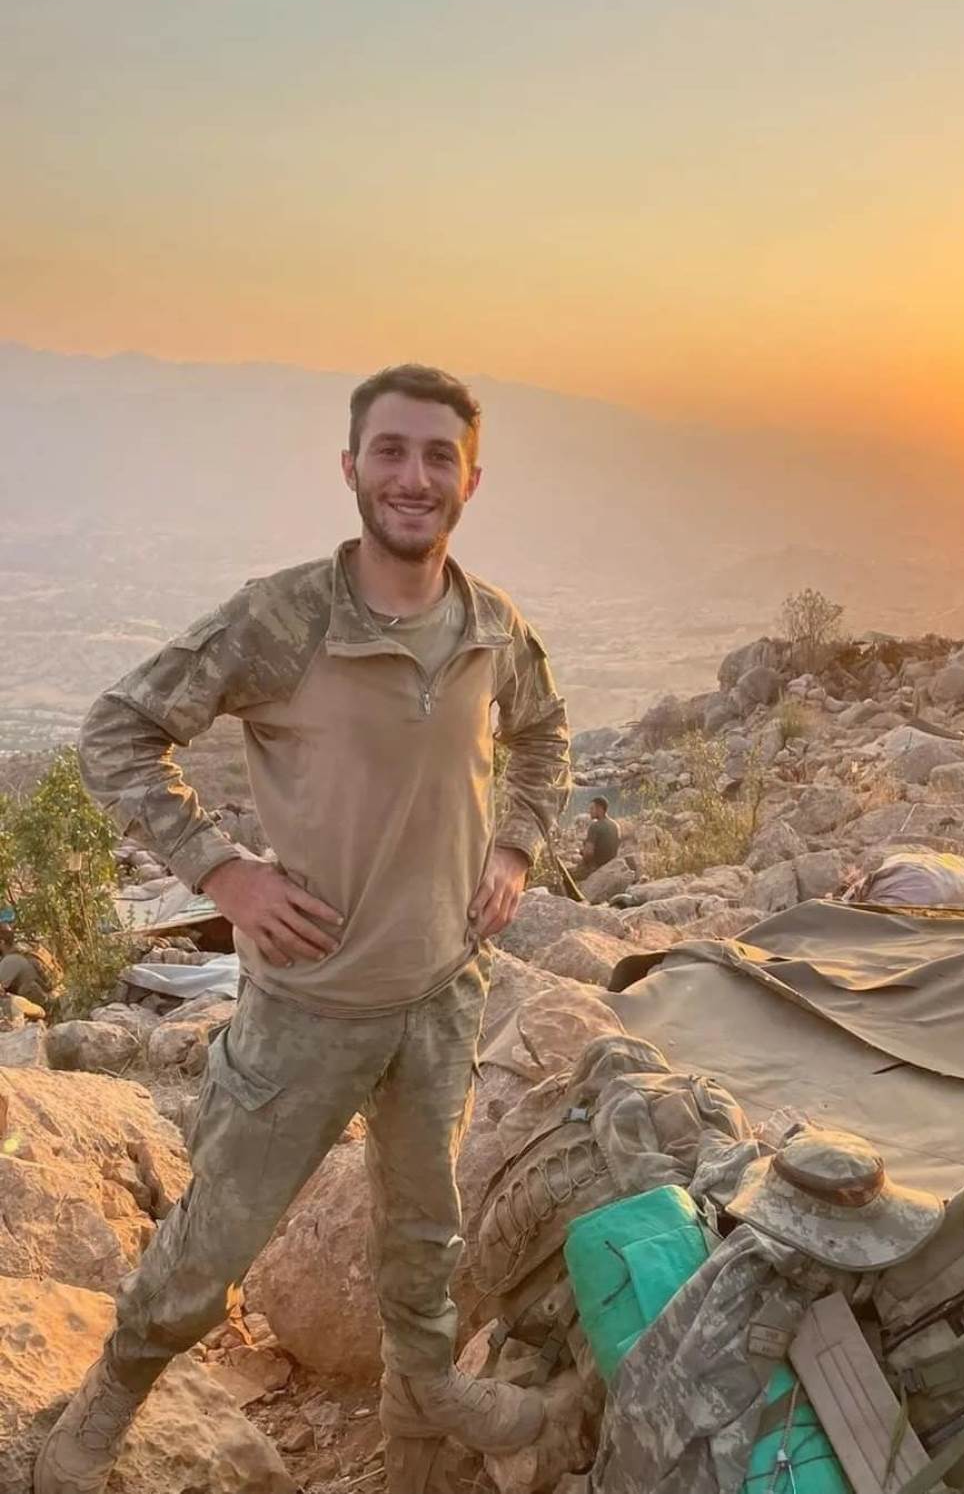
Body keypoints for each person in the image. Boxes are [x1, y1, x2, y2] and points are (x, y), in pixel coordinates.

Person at [38, 363, 571, 1494]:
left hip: (440, 996)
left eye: (439, 457)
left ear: (471, 480)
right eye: (391, 451)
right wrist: (221, 871)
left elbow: (544, 733)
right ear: (351, 468)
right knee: (216, 1244)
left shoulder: (490, 625)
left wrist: (515, 848)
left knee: (424, 1236)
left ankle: (424, 1401)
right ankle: (111, 1398)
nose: (414, 477)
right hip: (308, 1008)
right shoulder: (282, 620)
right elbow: (118, 731)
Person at [0, 918, 58, 1011]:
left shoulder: (9, 961)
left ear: (1, 942)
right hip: (48, 999)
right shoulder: (22, 951)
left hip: (43, 1006)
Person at [577, 795, 620, 879]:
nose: (589, 811)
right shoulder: (615, 825)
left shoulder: (595, 826)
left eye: (592, 808)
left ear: (600, 809)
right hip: (611, 866)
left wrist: (583, 860)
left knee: (564, 874)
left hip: (596, 868)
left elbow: (588, 853)